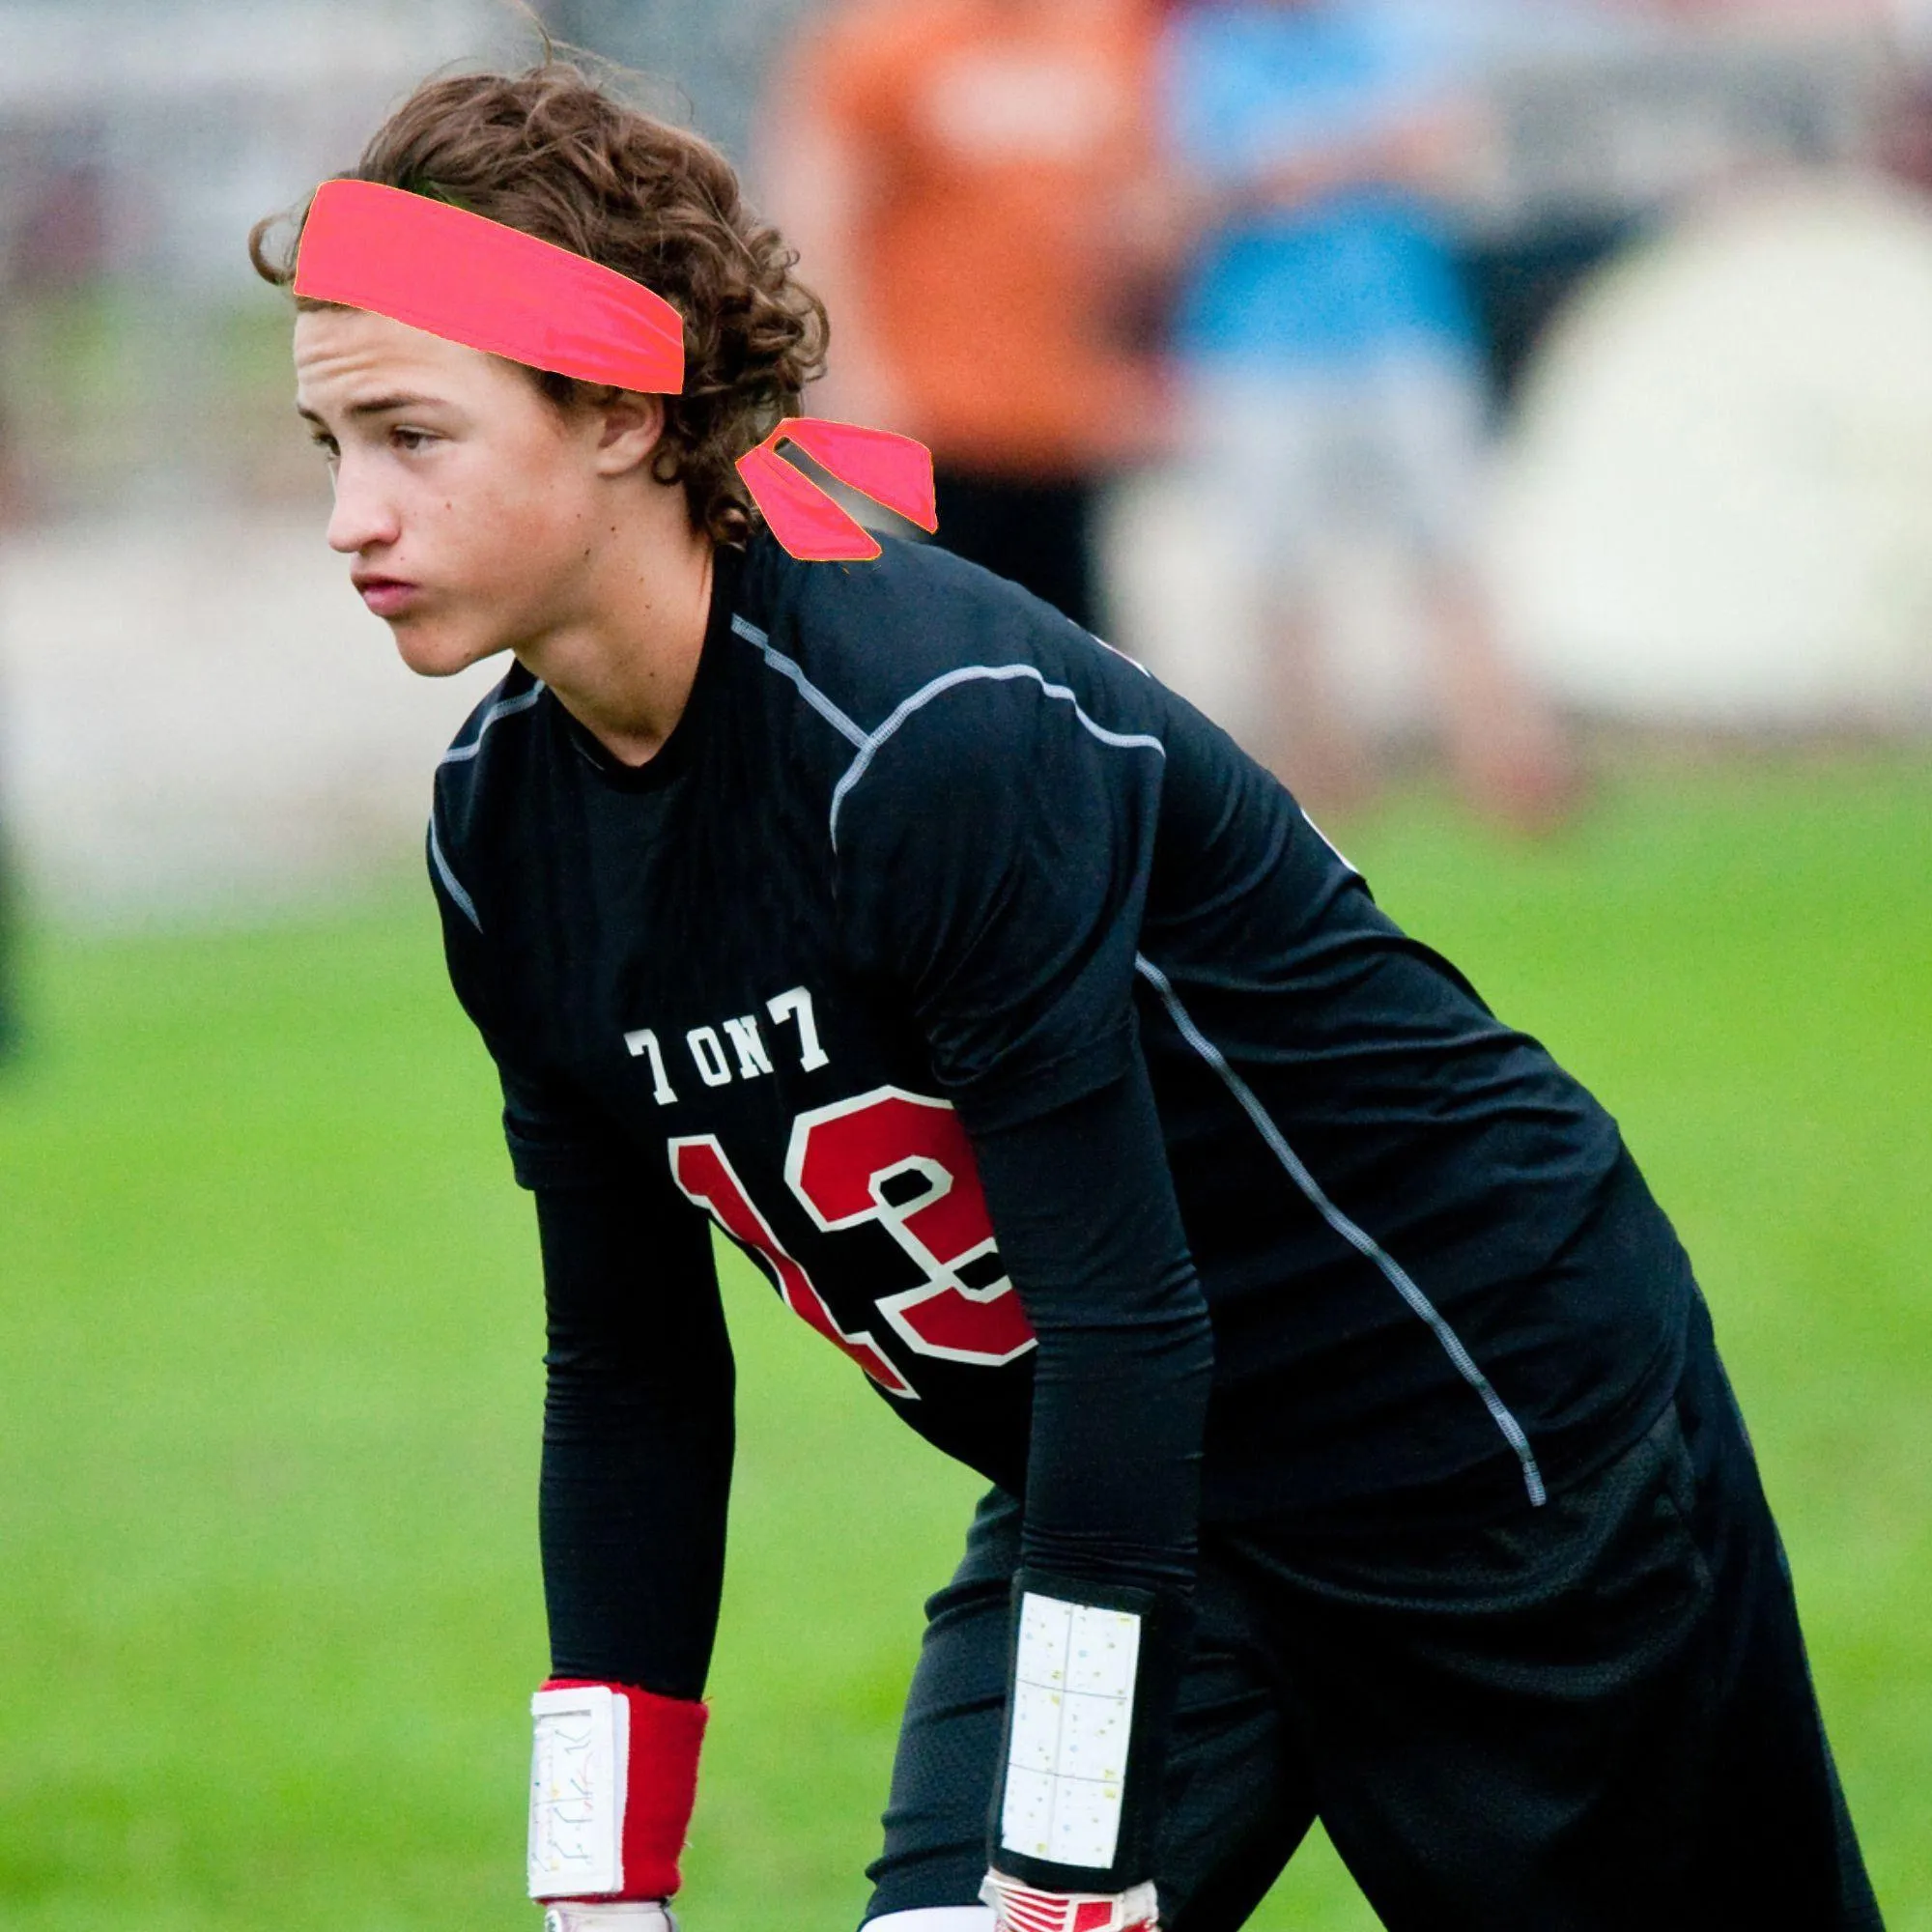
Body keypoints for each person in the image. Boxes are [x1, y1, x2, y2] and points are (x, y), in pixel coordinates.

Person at [254, 59, 1883, 1932]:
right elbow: (627, 1374)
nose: (350, 518)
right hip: (1125, 1495)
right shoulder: (497, 827)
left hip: (1475, 1435)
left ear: (622, 410)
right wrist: (595, 1892)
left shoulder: (920, 734)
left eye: (412, 435)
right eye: (333, 450)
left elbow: (1124, 1320)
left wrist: (1053, 1871)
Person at [1143, 0, 1577, 829]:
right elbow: (1194, 190)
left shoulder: (1394, 33)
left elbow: (1445, 151)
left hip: (1405, 331)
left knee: (1453, 557)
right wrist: (1362, 152)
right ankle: (1317, 780)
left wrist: (1300, 166)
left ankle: (1510, 768)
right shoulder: (1207, 51)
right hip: (1256, 347)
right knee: (1276, 576)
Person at [758, 0, 1171, 633]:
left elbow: (1141, 209)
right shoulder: (890, 41)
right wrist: (851, 373)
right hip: (936, 422)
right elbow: (819, 215)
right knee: (945, 646)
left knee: (1073, 659)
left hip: (1062, 425)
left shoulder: (1099, 38)